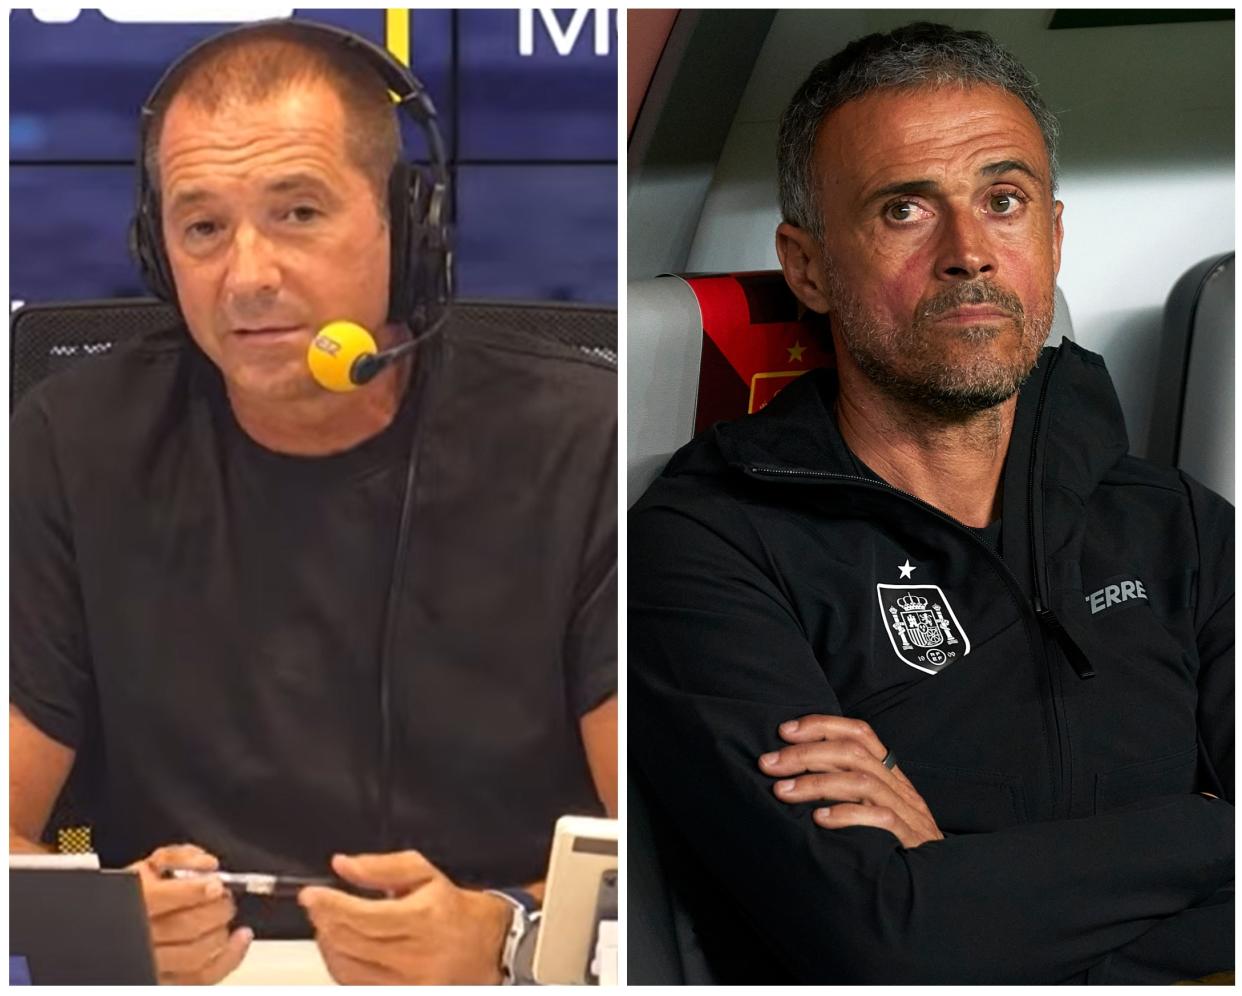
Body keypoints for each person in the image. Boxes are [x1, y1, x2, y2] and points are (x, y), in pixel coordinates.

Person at [10, 20, 617, 986]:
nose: (247, 274)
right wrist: (99, 923)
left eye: (298, 212)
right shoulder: (70, 440)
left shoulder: (577, 440)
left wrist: (509, 933)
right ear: (157, 249)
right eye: (202, 226)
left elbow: (653, 845)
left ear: (406, 224)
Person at [630, 22, 1231, 985]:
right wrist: (1208, 835)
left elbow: (929, 914)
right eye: (905, 210)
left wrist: (952, 865)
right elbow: (880, 941)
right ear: (809, 267)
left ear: (1053, 234)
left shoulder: (1177, 524)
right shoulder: (710, 547)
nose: (970, 254)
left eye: (1004, 201)